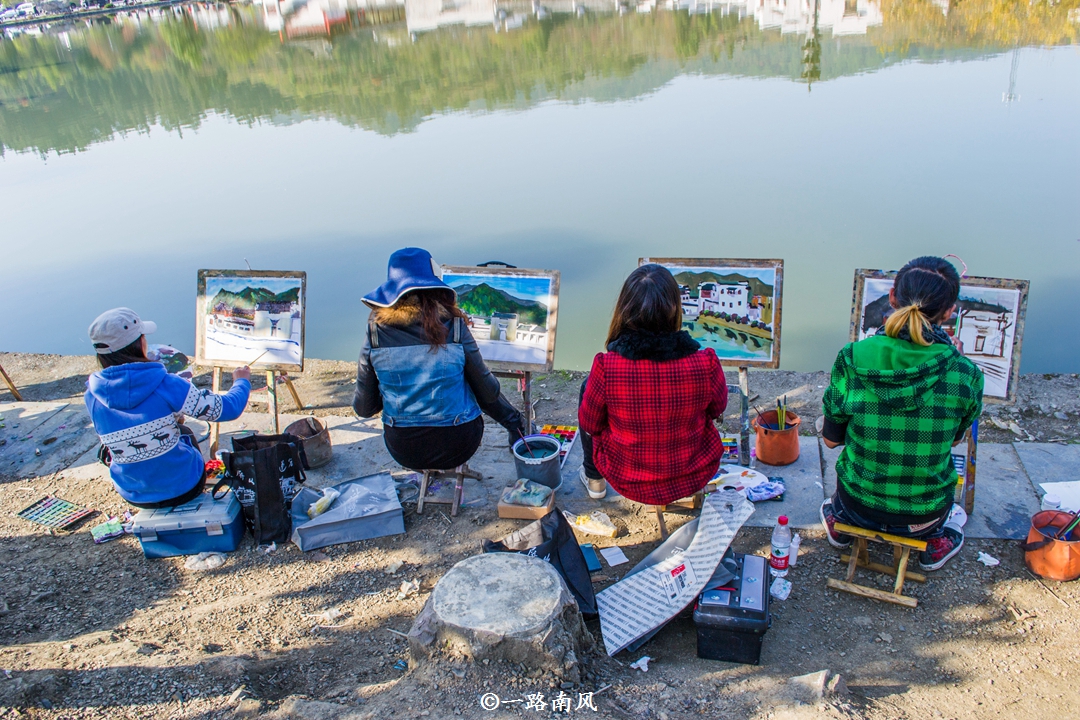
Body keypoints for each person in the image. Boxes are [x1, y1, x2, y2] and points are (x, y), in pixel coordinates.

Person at [819, 256, 983, 571]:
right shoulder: (966, 373)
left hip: (857, 506)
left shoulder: (853, 358)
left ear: (893, 297)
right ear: (949, 312)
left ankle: (840, 526)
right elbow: (954, 439)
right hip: (923, 516)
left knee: (841, 494)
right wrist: (955, 361)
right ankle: (934, 543)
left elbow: (829, 441)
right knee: (944, 506)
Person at [353, 248, 526, 471]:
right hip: (459, 445)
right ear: (435, 287)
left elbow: (364, 409)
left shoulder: (375, 332)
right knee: (468, 378)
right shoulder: (454, 327)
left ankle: (514, 424)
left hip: (404, 450)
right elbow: (488, 392)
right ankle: (517, 427)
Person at [578, 264, 729, 504]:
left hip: (627, 479)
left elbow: (590, 425)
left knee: (588, 389)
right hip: (693, 474)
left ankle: (594, 478)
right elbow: (717, 409)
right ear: (674, 308)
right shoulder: (706, 362)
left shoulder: (607, 367)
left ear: (624, 309)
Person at [84, 308, 251, 508]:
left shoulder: (92, 395)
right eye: (143, 337)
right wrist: (241, 382)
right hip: (184, 489)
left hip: (133, 493)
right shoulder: (167, 384)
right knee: (185, 432)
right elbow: (228, 409)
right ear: (139, 344)